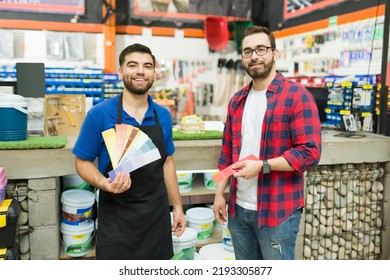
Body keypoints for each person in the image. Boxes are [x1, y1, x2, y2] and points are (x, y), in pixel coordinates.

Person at [213, 25, 322, 260]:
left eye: (261, 49)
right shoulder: (237, 100)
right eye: (248, 51)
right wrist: (219, 193)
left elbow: (309, 153)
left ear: (275, 54)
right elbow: (226, 154)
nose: (254, 56)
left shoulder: (297, 96)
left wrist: (263, 165)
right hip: (239, 209)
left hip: (277, 211)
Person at [72, 43, 186, 260]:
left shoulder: (162, 115)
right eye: (133, 65)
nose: (140, 71)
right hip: (117, 218)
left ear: (154, 72)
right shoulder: (99, 114)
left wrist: (178, 207)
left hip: (156, 216)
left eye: (147, 66)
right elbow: (82, 162)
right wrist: (104, 183)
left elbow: (167, 162)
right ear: (121, 72)